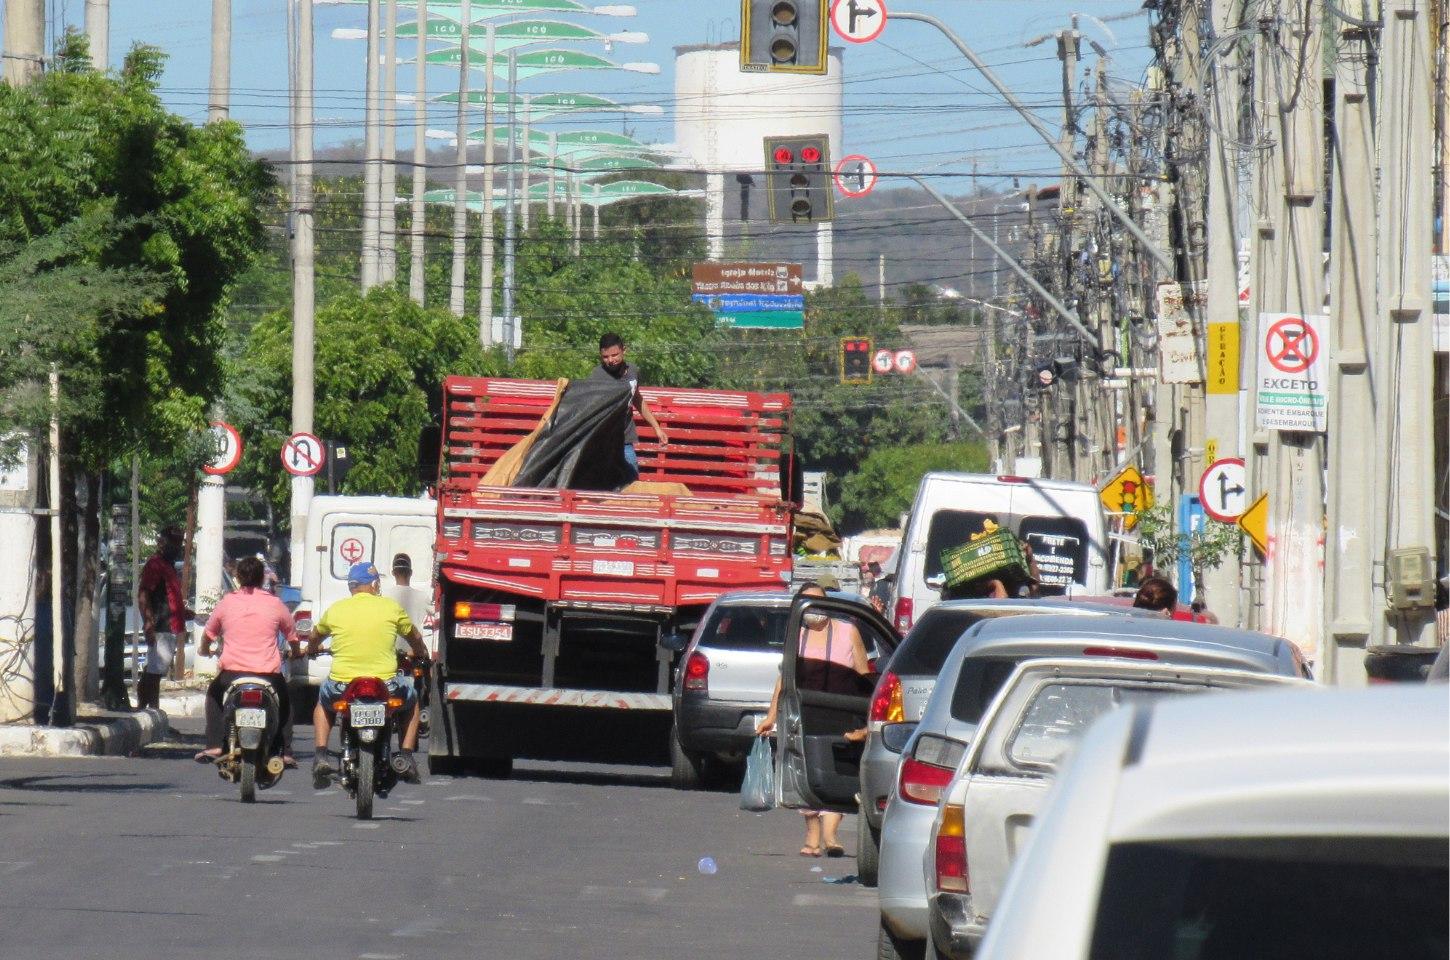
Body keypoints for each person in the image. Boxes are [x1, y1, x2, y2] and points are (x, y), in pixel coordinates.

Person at [756, 582, 874, 858]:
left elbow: (863, 672)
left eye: (819, 603)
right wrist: (771, 716)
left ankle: (831, 835)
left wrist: (867, 712)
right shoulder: (797, 637)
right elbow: (784, 679)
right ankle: (812, 835)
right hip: (807, 713)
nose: (815, 611)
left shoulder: (848, 631)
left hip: (842, 710)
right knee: (807, 771)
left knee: (837, 770)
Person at [308, 561, 431, 788]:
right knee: (412, 700)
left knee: (323, 703)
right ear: (374, 585)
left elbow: (315, 636)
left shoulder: (336, 609)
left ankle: (321, 754)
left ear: (351, 586)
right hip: (386, 684)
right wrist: (420, 651)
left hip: (342, 685)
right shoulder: (391, 608)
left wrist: (312, 649)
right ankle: (406, 755)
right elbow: (414, 636)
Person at [195, 557, 301, 765]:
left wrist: (204, 650)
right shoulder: (275, 603)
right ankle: (285, 751)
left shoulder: (227, 602)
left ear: (238, 577)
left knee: (214, 696)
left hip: (232, 674)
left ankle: (214, 744)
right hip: (268, 675)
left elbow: (208, 634)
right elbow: (292, 637)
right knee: (285, 703)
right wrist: (296, 652)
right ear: (262, 578)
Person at [589, 332, 668, 480]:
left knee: (631, 481)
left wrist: (656, 427)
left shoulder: (633, 371)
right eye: (605, 357)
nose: (610, 360)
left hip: (625, 440)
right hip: (603, 442)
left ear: (624, 350)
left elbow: (636, 398)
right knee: (604, 483)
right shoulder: (597, 376)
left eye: (614, 355)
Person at [136, 526, 193, 710]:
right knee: (155, 670)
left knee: (156, 668)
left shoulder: (168, 566)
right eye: (173, 542)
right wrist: (148, 621)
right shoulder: (155, 564)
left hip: (170, 624)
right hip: (160, 624)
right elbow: (144, 593)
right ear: (162, 543)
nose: (177, 546)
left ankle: (146, 707)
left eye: (179, 542)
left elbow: (169, 597)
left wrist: (185, 613)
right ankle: (152, 709)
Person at [381, 552, 431, 653]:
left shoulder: (384, 596)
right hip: (414, 651)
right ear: (411, 573)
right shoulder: (423, 597)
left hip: (391, 652)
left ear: (393, 573)